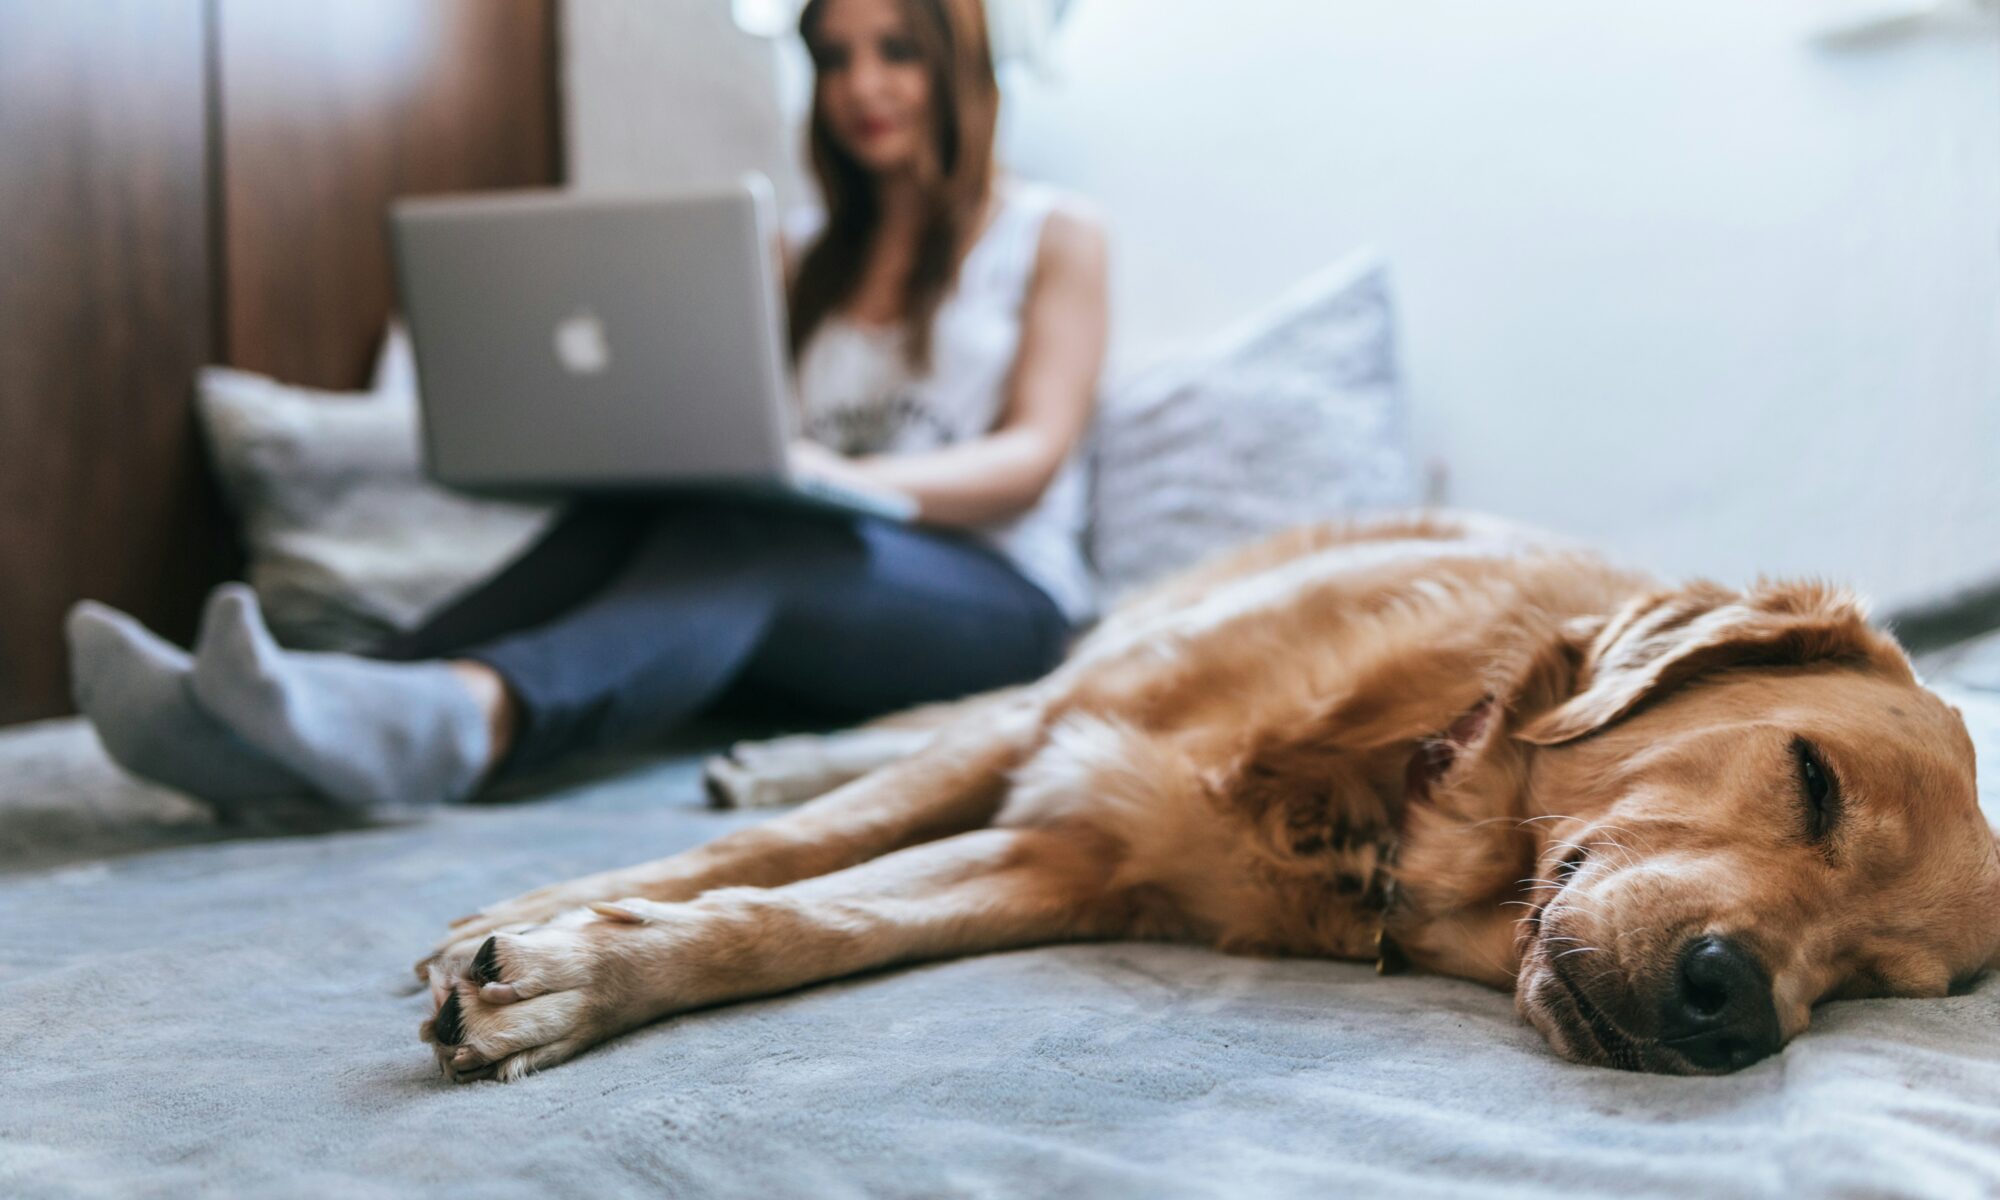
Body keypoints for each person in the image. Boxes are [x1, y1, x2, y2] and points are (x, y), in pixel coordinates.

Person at [65, 0, 1107, 813]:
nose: (861, 85)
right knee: (668, 512)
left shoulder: (1052, 233)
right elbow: (738, 424)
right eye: (834, 57)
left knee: (753, 534)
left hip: (997, 602)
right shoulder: (794, 254)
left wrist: (843, 481)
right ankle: (300, 709)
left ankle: (469, 720)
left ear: (955, 63)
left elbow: (1033, 453)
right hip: (811, 585)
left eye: (895, 50)